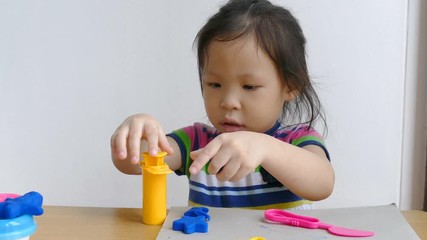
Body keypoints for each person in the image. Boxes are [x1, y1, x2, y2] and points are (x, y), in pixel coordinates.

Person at [111, 0, 334, 210]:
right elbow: (129, 163)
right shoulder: (198, 143)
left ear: (291, 86)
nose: (228, 101)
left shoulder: (297, 140)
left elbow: (323, 184)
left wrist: (264, 147)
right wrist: (137, 133)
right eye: (215, 84)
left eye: (249, 87)